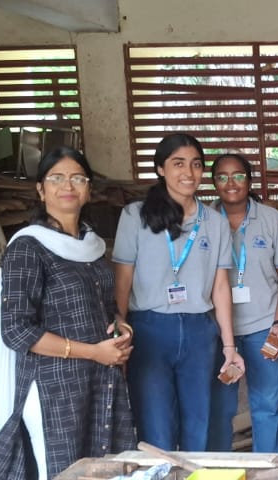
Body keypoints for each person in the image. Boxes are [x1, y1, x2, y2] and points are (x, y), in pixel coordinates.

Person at [0, 147, 135, 480]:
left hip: (99, 379)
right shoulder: (28, 248)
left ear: (89, 189)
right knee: (58, 477)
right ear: (41, 191)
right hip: (52, 387)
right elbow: (17, 330)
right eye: (56, 178)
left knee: (99, 468)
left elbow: (105, 306)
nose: (68, 186)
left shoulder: (91, 246)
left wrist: (121, 325)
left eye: (77, 177)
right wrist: (94, 352)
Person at [113, 133, 243, 452]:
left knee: (199, 419)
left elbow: (220, 285)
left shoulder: (214, 222)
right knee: (155, 421)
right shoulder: (135, 216)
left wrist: (228, 344)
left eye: (196, 165)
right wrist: (120, 329)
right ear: (160, 169)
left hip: (200, 330)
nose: (189, 172)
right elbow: (122, 279)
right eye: (178, 163)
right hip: (149, 328)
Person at [207, 154, 278, 455]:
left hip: (263, 328)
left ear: (249, 180)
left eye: (238, 176)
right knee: (221, 408)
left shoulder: (271, 219)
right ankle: (220, 471)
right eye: (222, 176)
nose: (230, 183)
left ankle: (268, 468)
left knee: (266, 405)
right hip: (219, 333)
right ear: (213, 182)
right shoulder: (203, 221)